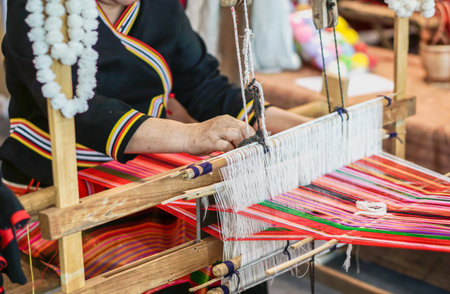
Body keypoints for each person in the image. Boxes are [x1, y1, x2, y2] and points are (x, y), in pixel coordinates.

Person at [1, 0, 309, 292]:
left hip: (148, 182)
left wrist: (291, 124)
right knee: (150, 272)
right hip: (55, 188)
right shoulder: (42, 10)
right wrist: (190, 136)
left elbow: (204, 85)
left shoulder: (160, 6)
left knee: (233, 252)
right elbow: (83, 111)